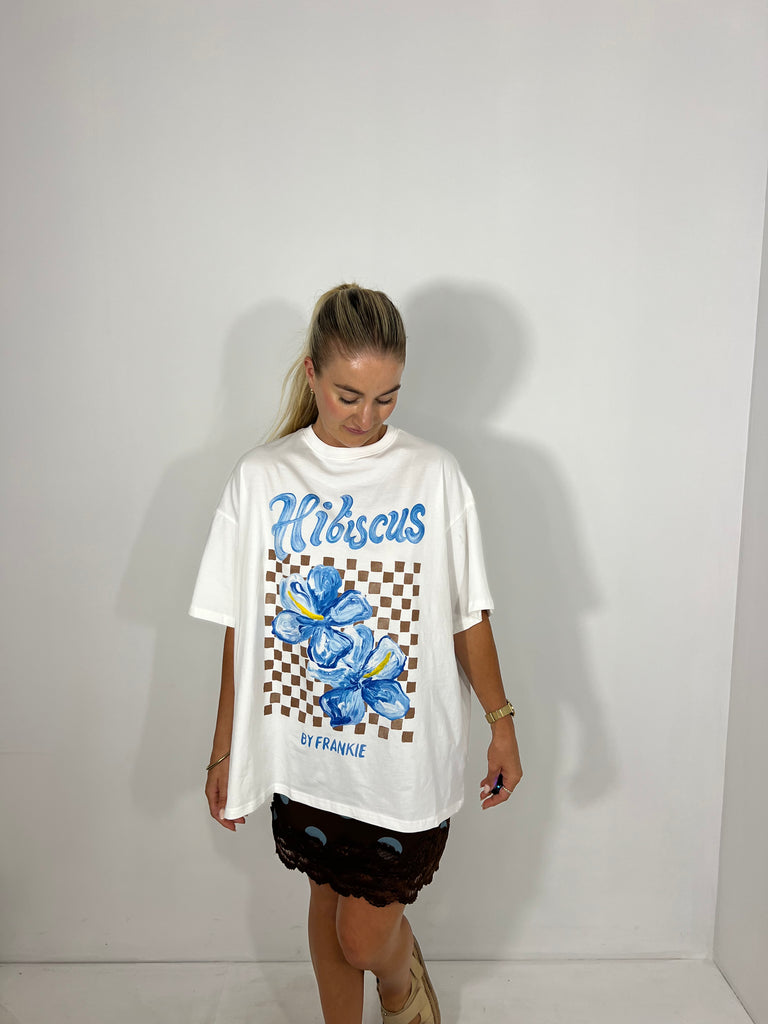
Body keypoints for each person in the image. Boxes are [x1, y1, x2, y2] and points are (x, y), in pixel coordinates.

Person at [190, 283, 522, 1024]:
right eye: (349, 396)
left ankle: (402, 985)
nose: (367, 418)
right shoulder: (262, 478)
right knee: (326, 901)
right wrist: (224, 750)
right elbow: (242, 629)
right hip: (306, 755)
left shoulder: (434, 475)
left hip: (402, 763)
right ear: (312, 373)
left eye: (386, 398)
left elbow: (467, 613)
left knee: (364, 935)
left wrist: (501, 720)